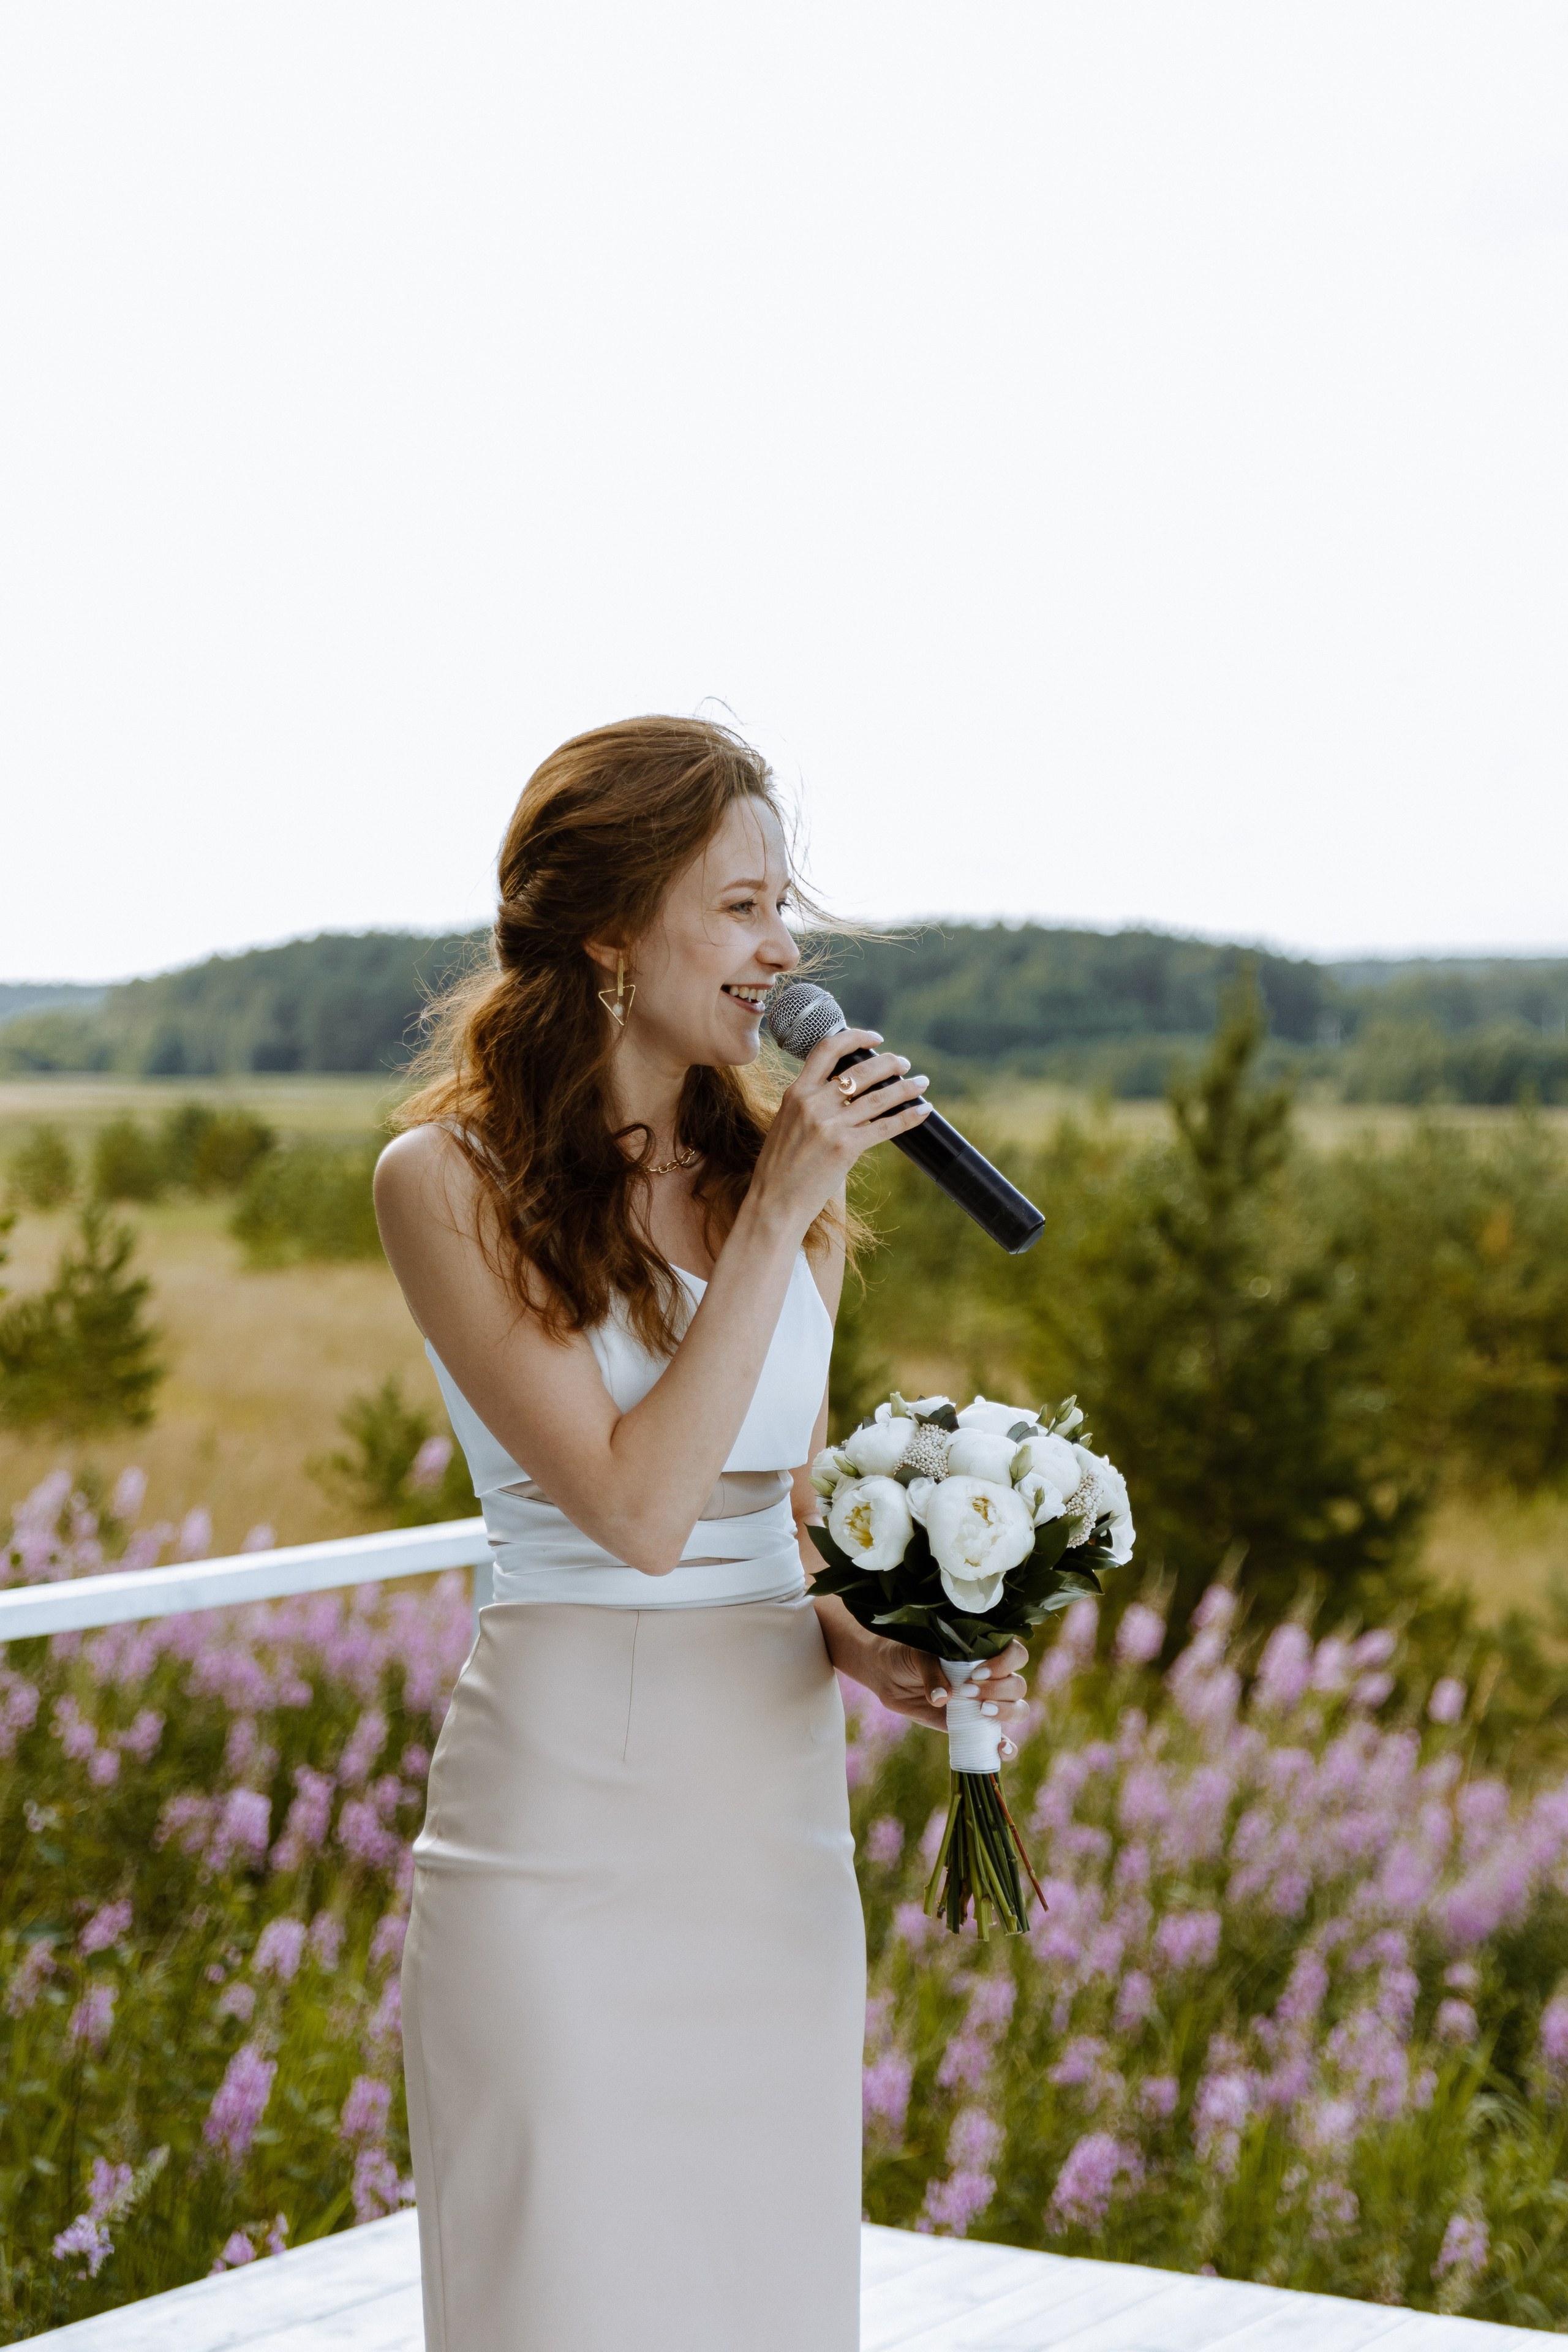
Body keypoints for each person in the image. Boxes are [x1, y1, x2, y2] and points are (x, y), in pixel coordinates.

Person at [373, 715, 1028, 2352]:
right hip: (563, 1835)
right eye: (740, 906)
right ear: (610, 932)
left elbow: (772, 1513)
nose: (784, 947)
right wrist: (786, 1216)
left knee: (760, 2290)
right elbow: (637, 1511)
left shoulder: (762, 1185)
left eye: (782, 904)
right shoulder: (439, 1182)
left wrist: (867, 1636)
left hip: (769, 1835)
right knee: (564, 2288)